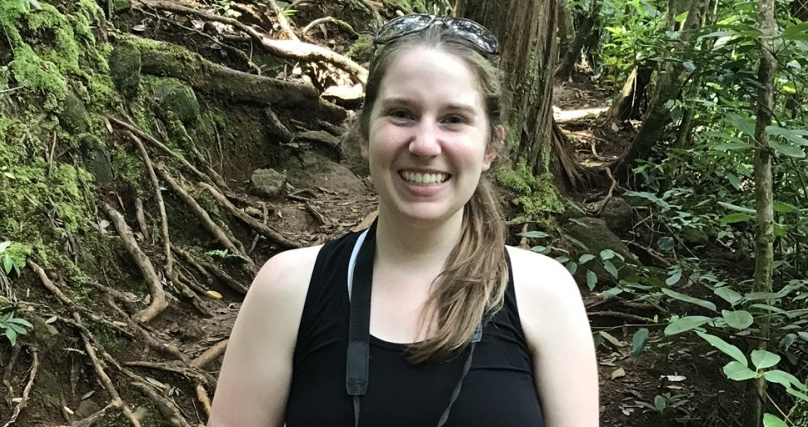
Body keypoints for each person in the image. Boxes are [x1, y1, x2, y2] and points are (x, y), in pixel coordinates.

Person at [208, 14, 598, 427]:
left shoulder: (546, 295)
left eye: (454, 119)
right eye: (402, 113)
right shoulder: (288, 291)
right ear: (364, 132)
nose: (425, 144)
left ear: (490, 147)